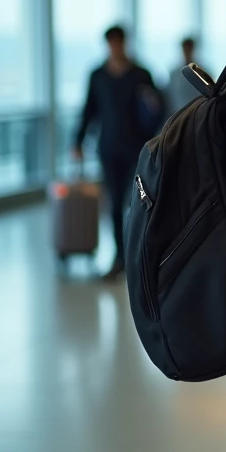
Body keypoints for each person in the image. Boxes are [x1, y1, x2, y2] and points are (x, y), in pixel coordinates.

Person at [72, 25, 161, 278]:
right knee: (113, 205)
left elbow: (155, 109)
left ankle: (141, 255)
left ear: (124, 43)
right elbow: (89, 109)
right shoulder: (98, 75)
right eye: (111, 43)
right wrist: (77, 141)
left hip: (137, 148)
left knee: (137, 202)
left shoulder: (141, 74)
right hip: (109, 149)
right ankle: (120, 257)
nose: (115, 48)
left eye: (119, 43)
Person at [165, 37, 198, 114]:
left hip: (195, 113)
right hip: (178, 112)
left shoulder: (201, 72)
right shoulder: (175, 73)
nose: (187, 53)